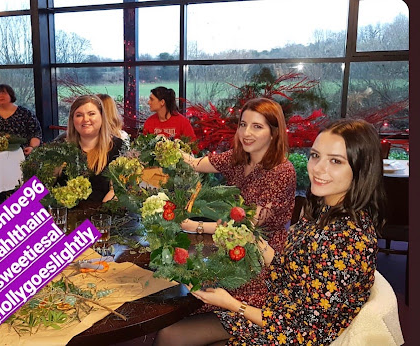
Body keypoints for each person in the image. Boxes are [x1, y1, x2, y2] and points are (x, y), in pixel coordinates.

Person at [154, 119, 384, 345]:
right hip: (278, 311)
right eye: (315, 156)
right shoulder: (325, 208)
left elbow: (305, 330)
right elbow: (294, 275)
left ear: (361, 168)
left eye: (335, 161)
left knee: (173, 334)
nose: (318, 168)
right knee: (172, 332)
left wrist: (233, 304)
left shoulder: (347, 239)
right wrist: (256, 241)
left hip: (287, 332)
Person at [181, 97, 296, 312]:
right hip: (231, 249)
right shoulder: (239, 157)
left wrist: (196, 226)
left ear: (274, 132)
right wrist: (165, 151)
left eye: (257, 126)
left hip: (261, 259)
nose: (246, 133)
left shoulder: (282, 171)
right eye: (243, 125)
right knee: (187, 291)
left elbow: (246, 228)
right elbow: (195, 163)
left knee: (194, 300)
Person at [65, 94, 125, 203]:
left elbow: (117, 191)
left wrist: (98, 217)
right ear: (72, 120)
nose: (85, 119)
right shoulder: (60, 146)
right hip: (61, 217)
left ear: (102, 116)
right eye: (79, 115)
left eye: (91, 114)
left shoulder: (117, 147)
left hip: (101, 216)